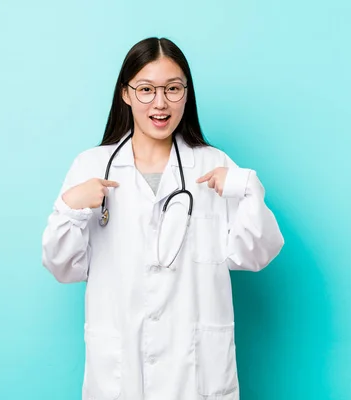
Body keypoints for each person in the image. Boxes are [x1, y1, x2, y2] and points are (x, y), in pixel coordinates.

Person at [41, 37, 284, 400]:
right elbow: (62, 267)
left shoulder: (213, 165)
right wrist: (71, 208)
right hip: (121, 372)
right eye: (146, 89)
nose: (160, 102)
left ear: (187, 93)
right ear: (125, 93)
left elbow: (255, 255)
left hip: (196, 371)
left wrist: (248, 189)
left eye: (173, 89)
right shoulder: (91, 166)